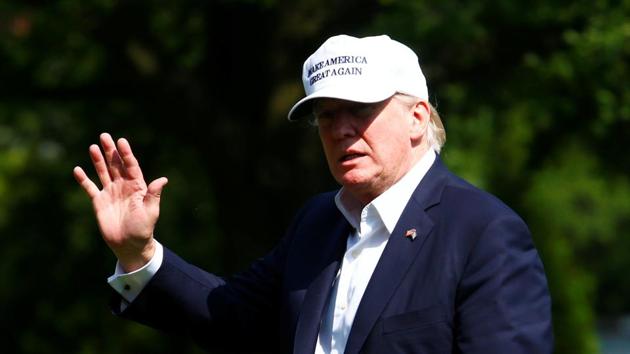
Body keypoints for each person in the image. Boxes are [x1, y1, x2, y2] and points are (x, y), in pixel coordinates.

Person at [74, 34, 553, 353]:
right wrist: (138, 253)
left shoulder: (483, 232)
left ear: (417, 118)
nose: (341, 129)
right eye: (325, 115)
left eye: (360, 108)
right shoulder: (317, 222)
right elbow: (229, 317)